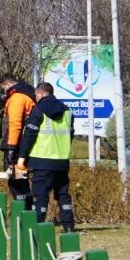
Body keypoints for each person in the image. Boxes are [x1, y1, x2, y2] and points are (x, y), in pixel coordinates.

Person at [17, 81, 75, 232]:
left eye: (36, 95)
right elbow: (70, 135)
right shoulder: (68, 111)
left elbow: (29, 135)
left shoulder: (38, 110)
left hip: (41, 161)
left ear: (41, 93)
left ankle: (38, 227)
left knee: (40, 196)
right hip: (62, 161)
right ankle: (69, 226)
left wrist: (22, 157)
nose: (35, 98)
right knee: (63, 195)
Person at [0, 75, 36, 203]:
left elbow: (15, 124)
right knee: (22, 180)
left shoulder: (16, 98)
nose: (4, 92)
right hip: (26, 144)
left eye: (3, 89)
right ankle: (28, 210)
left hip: (17, 145)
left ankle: (23, 212)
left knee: (16, 180)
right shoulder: (28, 94)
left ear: (7, 85)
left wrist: (11, 148)